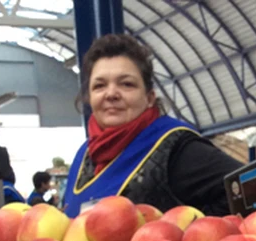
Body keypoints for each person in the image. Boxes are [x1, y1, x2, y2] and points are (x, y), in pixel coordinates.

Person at [63, 34, 242, 217]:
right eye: (99, 86)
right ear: (89, 98)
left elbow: (247, 188)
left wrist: (189, 234)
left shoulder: (176, 149)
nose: (111, 94)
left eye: (126, 84)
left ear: (149, 98)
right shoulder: (84, 155)